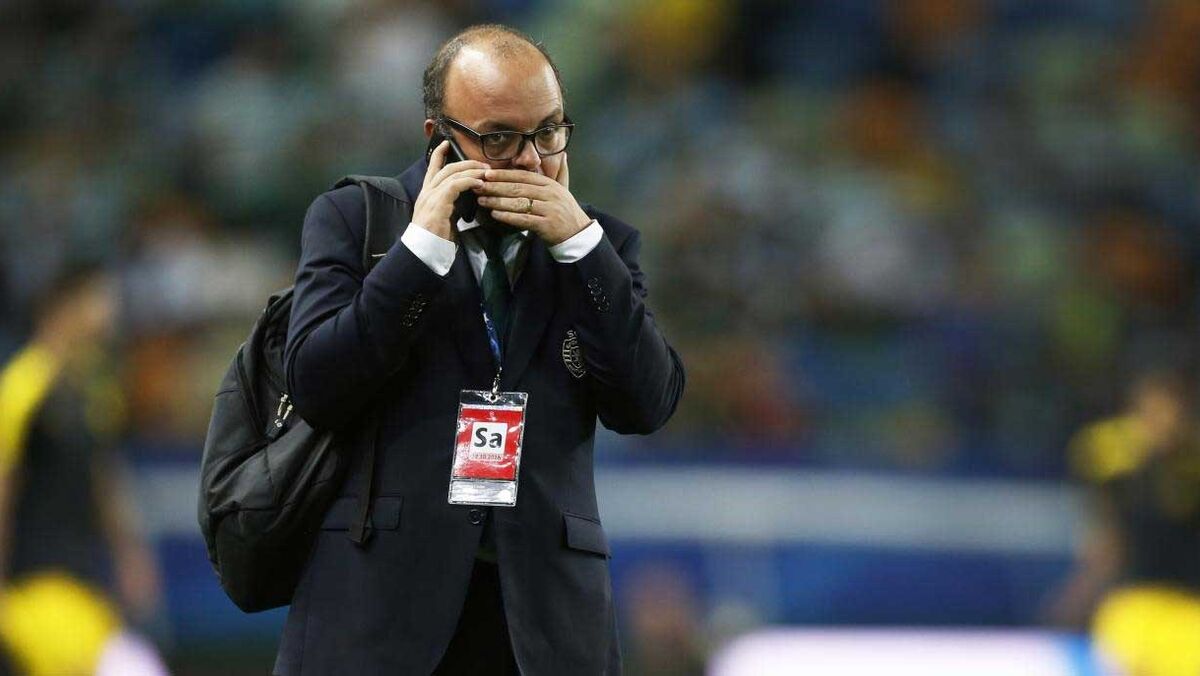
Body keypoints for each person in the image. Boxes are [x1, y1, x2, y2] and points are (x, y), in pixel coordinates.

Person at [275, 24, 685, 676]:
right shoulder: (358, 220)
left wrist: (581, 249)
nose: (530, 160)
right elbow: (316, 389)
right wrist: (419, 252)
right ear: (439, 137)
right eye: (499, 138)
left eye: (548, 132)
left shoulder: (598, 248)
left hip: (544, 626)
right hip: (379, 614)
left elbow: (647, 404)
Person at [0, 265, 167, 676]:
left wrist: (131, 555)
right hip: (35, 590)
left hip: (87, 587)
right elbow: (3, 490)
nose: (107, 312)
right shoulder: (23, 388)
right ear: (63, 307)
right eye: (97, 299)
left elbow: (103, 478)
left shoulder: (94, 391)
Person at [1047, 371, 1200, 676]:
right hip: (1133, 606)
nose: (1163, 420)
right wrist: (1077, 598)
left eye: (1170, 409)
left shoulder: (1190, 468)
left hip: (1187, 608)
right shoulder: (1118, 468)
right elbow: (1107, 544)